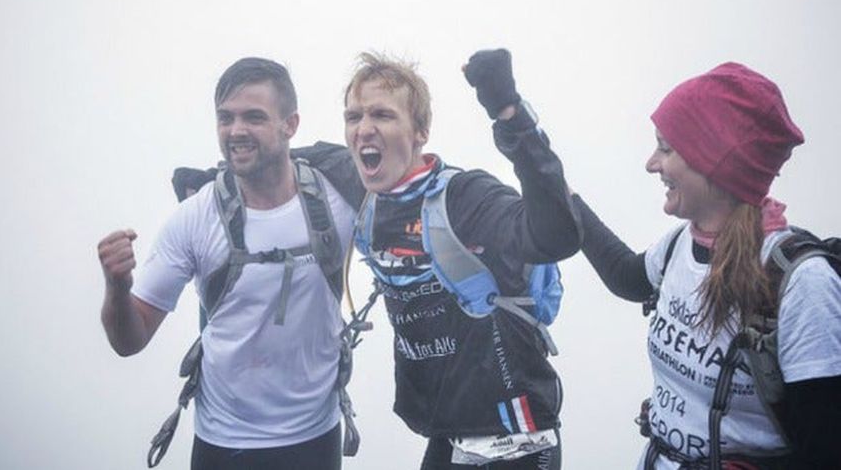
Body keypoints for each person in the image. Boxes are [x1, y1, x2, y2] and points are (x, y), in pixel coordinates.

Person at [573, 62, 841, 468]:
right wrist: (554, 184)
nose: (651, 163)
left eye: (666, 148)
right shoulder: (680, 243)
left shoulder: (802, 283)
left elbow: (826, 450)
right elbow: (626, 276)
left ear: (712, 162)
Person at [97, 57, 358, 470]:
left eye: (254, 117)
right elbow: (130, 340)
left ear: (290, 125)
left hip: (316, 436)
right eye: (226, 118)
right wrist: (117, 286)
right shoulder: (195, 218)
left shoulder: (338, 201)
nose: (236, 130)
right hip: (223, 441)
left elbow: (411, 198)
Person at [342, 49, 582, 469]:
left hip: (519, 440)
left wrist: (510, 114)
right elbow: (279, 150)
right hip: (449, 434)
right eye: (353, 116)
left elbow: (557, 236)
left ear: (421, 131)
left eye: (382, 115)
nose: (364, 129)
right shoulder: (367, 198)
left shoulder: (467, 198)